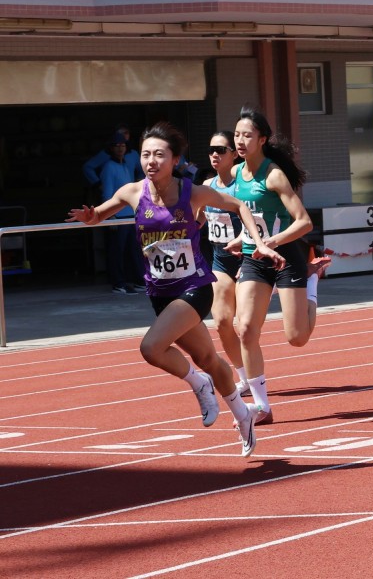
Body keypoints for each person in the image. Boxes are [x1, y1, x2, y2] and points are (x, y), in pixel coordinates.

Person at [67, 121, 285, 458]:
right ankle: (243, 416)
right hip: (160, 293)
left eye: (159, 155)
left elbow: (239, 206)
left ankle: (199, 385)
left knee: (152, 347)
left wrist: (258, 243)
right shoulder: (132, 192)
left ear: (175, 159)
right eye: (146, 155)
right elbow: (100, 214)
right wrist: (89, 215)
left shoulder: (191, 192)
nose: (151, 161)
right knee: (208, 358)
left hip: (195, 287)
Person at [232, 106, 332, 425]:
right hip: (254, 258)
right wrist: (243, 238)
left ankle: (312, 282)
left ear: (262, 139)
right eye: (237, 134)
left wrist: (270, 242)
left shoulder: (273, 175)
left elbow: (303, 222)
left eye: (247, 135)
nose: (240, 140)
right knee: (245, 327)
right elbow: (249, 213)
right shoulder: (236, 174)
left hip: (287, 256)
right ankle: (261, 406)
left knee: (297, 337)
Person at [202, 131, 247, 396]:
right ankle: (243, 377)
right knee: (221, 321)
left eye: (221, 149)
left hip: (250, 261)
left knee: (244, 325)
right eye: (211, 150)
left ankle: (255, 377)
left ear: (233, 153)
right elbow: (197, 219)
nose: (215, 154)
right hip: (221, 260)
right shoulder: (207, 186)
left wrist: (244, 239)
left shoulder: (244, 184)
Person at [99, 131, 147, 294]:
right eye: (116, 146)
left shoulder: (126, 165)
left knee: (133, 250)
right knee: (117, 251)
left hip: (131, 215)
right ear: (110, 149)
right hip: (117, 216)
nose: (120, 148)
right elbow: (107, 192)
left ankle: (136, 280)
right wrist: (110, 215)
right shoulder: (108, 167)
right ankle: (118, 283)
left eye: (123, 145)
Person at [83, 125, 143, 202]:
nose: (120, 148)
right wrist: (98, 184)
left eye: (126, 133)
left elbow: (141, 172)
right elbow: (87, 167)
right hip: (112, 197)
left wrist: (137, 185)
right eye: (117, 146)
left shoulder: (133, 154)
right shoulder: (107, 159)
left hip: (129, 198)